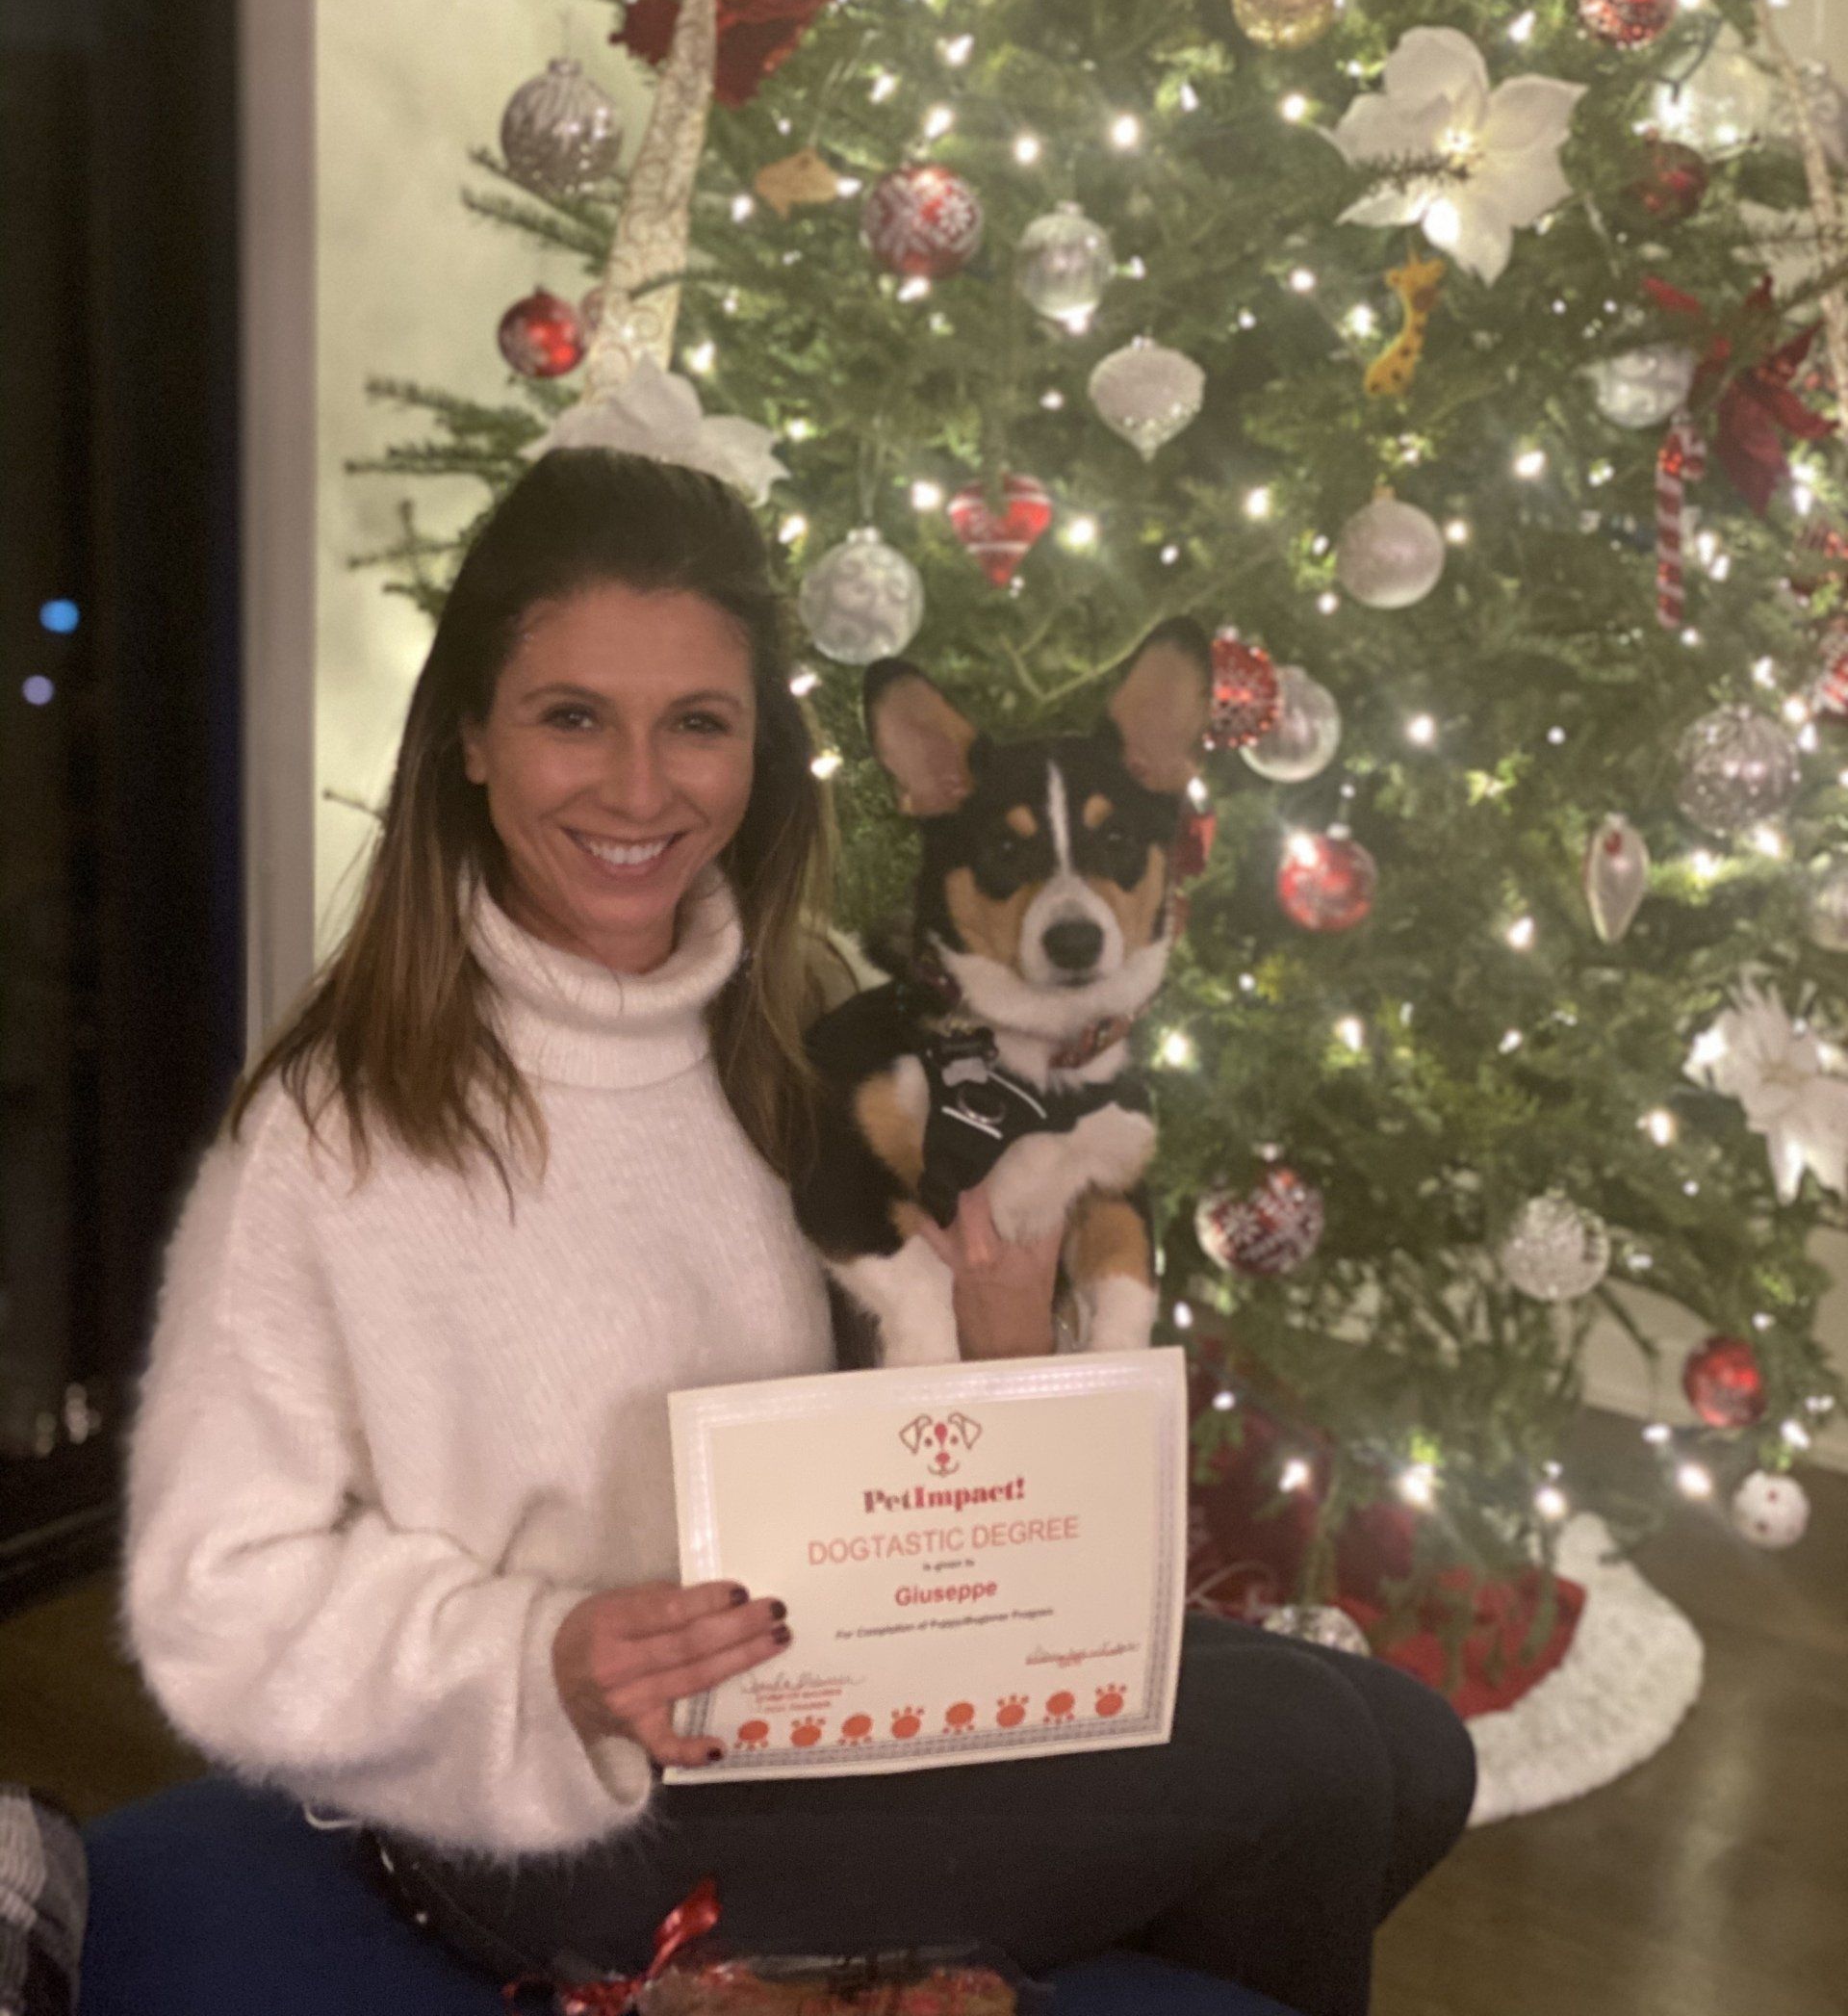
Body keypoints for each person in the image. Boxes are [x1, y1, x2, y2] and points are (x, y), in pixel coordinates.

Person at [122, 446, 1475, 2016]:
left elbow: (918, 1437)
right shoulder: (335, 1127)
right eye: (573, 717)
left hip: (846, 1686)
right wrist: (542, 1653)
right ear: (472, 742)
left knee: (1412, 1749)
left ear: (761, 751)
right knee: (1308, 1765)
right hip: (573, 1797)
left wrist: (1007, 1328)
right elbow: (210, 1591)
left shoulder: (816, 1009)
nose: (641, 790)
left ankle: (925, 1965)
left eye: (697, 723)